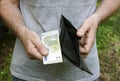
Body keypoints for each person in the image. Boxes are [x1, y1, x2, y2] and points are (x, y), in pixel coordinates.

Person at [0, 0, 120, 81]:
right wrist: (22, 32)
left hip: (83, 74)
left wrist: (96, 19)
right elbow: (7, 3)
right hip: (28, 73)